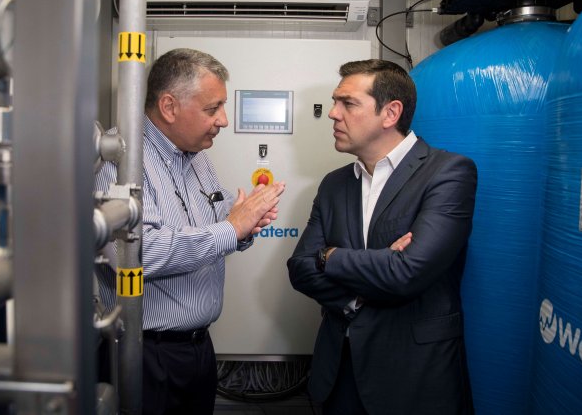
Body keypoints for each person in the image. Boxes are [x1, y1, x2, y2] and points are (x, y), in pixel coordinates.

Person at [95, 48, 285, 415]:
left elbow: (214, 226)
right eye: (213, 108)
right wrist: (232, 228)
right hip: (145, 352)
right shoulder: (120, 158)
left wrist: (244, 226)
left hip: (197, 350)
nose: (223, 120)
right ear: (169, 107)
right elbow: (137, 254)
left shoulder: (197, 158)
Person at [287, 59, 476, 414]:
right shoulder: (334, 184)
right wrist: (376, 270)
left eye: (348, 103)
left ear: (390, 113)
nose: (333, 114)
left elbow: (408, 272)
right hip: (340, 371)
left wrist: (330, 257)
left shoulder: (448, 173)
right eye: (335, 102)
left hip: (414, 375)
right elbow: (300, 268)